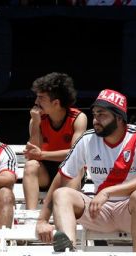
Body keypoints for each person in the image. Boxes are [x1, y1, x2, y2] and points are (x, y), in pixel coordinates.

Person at [37, 89, 136, 256]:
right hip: (101, 212)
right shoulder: (87, 139)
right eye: (95, 114)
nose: (95, 120)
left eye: (102, 115)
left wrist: (107, 192)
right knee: (62, 194)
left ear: (119, 117)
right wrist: (42, 220)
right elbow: (61, 177)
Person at [22, 72, 87, 210]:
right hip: (45, 173)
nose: (36, 102)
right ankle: (30, 216)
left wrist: (42, 155)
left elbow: (75, 154)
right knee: (31, 166)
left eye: (40, 98)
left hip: (68, 171)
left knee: (76, 168)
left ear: (56, 103)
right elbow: (35, 152)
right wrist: (35, 123)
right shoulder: (37, 118)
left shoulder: (78, 118)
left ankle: (67, 214)